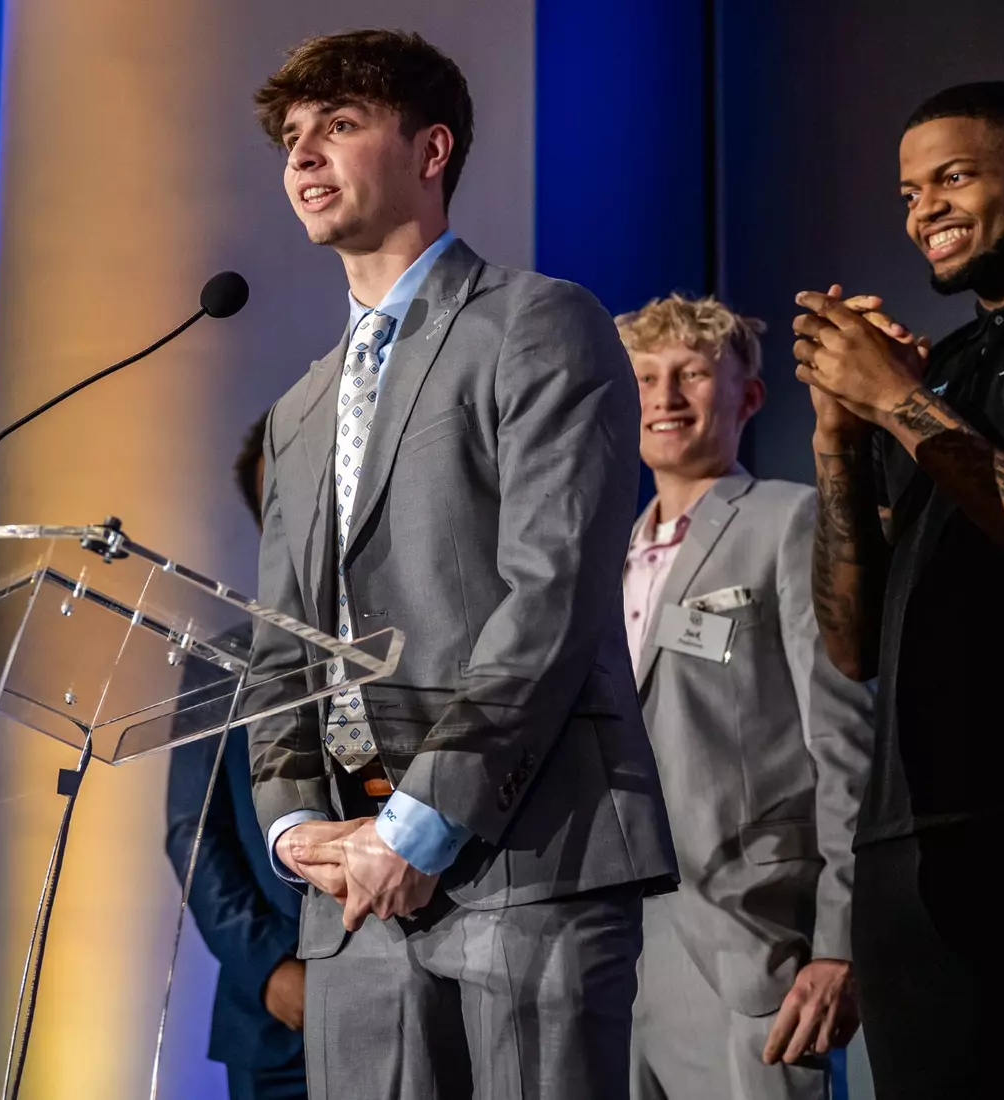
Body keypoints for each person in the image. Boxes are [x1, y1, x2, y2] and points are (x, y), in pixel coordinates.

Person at [244, 30, 675, 1099]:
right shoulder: (298, 409)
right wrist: (295, 824)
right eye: (292, 137)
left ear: (431, 150)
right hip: (347, 889)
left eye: (340, 125)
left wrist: (422, 823)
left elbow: (551, 597)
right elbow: (279, 647)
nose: (304, 156)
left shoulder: (539, 322)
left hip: (527, 857)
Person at [792, 81, 1004, 1095]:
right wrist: (839, 436)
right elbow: (852, 643)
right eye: (908, 193)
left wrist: (897, 401)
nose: (923, 210)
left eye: (954, 177)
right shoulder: (944, 371)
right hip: (908, 849)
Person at [618, 295, 873, 1099]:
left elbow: (844, 741)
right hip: (617, 961)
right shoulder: (605, 556)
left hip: (754, 949)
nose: (665, 396)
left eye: (692, 374)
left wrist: (840, 941)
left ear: (748, 396)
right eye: (646, 378)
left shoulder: (789, 520)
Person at [165, 413, 307, 1100]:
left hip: (403, 997)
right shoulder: (222, 663)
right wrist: (270, 965)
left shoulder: (400, 640)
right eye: (276, 497)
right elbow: (193, 833)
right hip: (274, 1021)